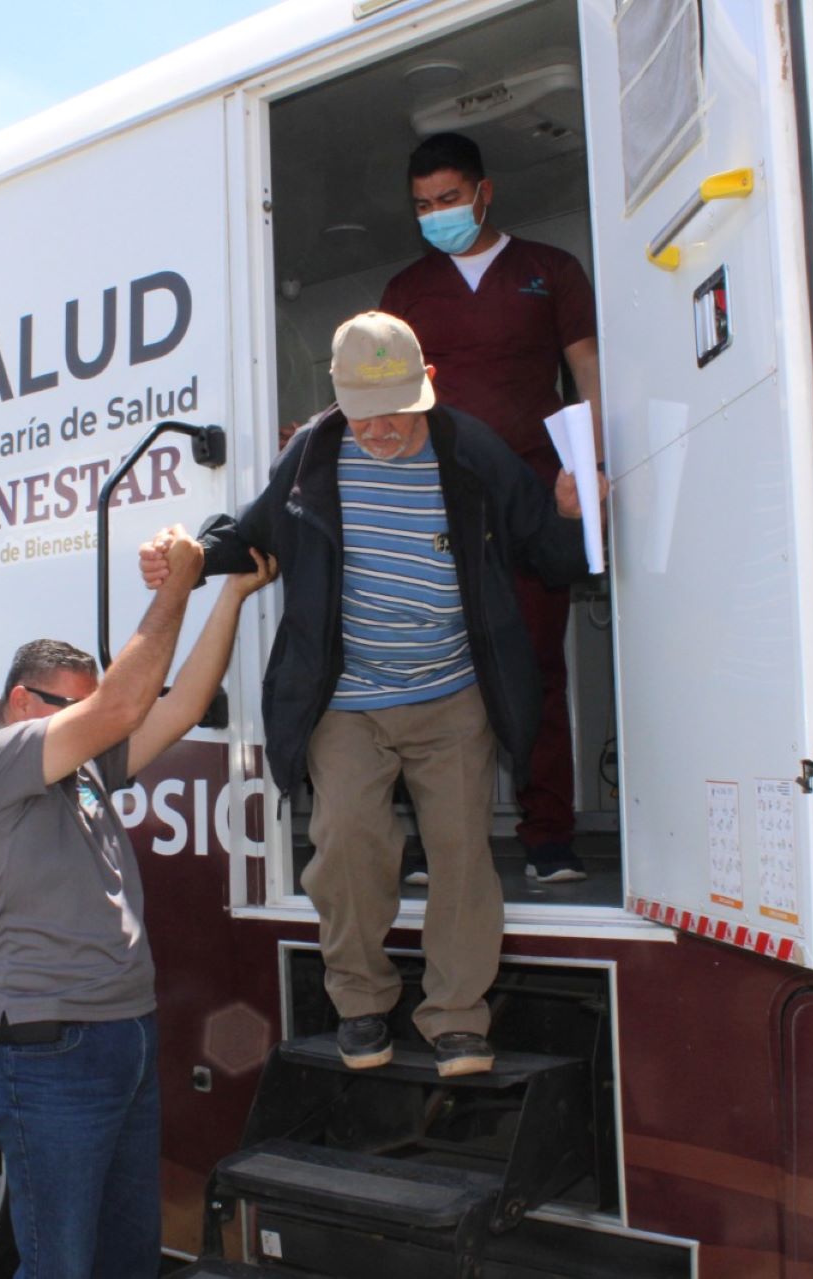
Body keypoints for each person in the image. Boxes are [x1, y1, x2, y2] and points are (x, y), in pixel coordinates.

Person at [146, 311, 591, 1079]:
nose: (380, 430)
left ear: (429, 388)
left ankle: (456, 1017)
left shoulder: (470, 452)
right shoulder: (313, 453)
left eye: (395, 412)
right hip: (347, 693)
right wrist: (188, 554)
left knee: (461, 851)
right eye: (363, 413)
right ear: (337, 399)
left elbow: (553, 559)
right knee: (348, 840)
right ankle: (360, 1003)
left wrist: (573, 513)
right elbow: (251, 534)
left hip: (452, 693)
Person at [0, 528, 275, 1279]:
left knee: (127, 1256)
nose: (93, 722)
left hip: (118, 1035)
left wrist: (228, 593)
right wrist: (176, 586)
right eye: (73, 709)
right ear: (21, 702)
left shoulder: (83, 772)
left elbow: (182, 704)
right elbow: (129, 703)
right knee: (60, 1264)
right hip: (47, 1052)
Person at [378, 131, 602, 885]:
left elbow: (586, 370)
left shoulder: (550, 270)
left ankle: (549, 840)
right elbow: (381, 398)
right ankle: (445, 847)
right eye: (423, 206)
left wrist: (590, 465)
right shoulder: (406, 291)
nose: (437, 214)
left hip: (536, 496)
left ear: (484, 192)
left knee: (537, 665)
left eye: (448, 199)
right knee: (436, 672)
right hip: (437, 503)